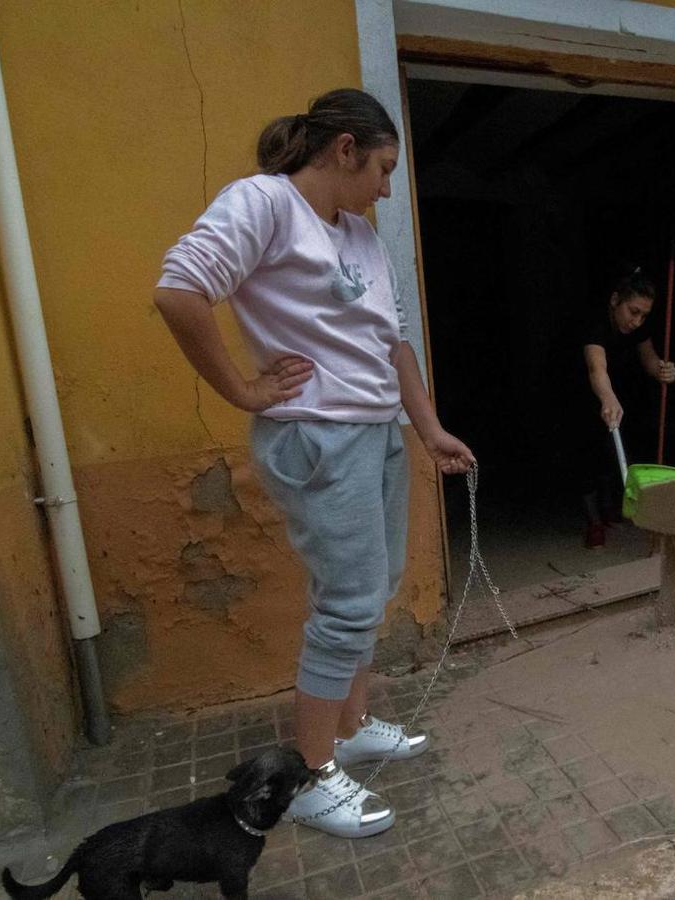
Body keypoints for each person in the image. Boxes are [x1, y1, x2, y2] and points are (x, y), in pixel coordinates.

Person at [154, 89, 474, 839]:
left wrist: (427, 429)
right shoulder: (264, 204)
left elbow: (393, 344)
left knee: (376, 585)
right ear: (344, 150)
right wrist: (241, 389)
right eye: (384, 168)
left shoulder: (361, 237)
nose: (388, 188)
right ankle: (312, 773)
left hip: (378, 432)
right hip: (321, 439)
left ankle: (353, 723)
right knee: (348, 605)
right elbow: (179, 292)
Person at [576, 267, 675, 548]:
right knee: (586, 454)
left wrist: (663, 371)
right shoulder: (594, 323)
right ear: (615, 300)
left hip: (617, 393)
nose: (637, 321)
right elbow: (597, 368)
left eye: (644, 315)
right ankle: (594, 521)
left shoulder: (638, 327)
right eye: (633, 312)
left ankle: (610, 510)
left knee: (613, 451)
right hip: (583, 393)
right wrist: (607, 397)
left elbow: (649, 360)